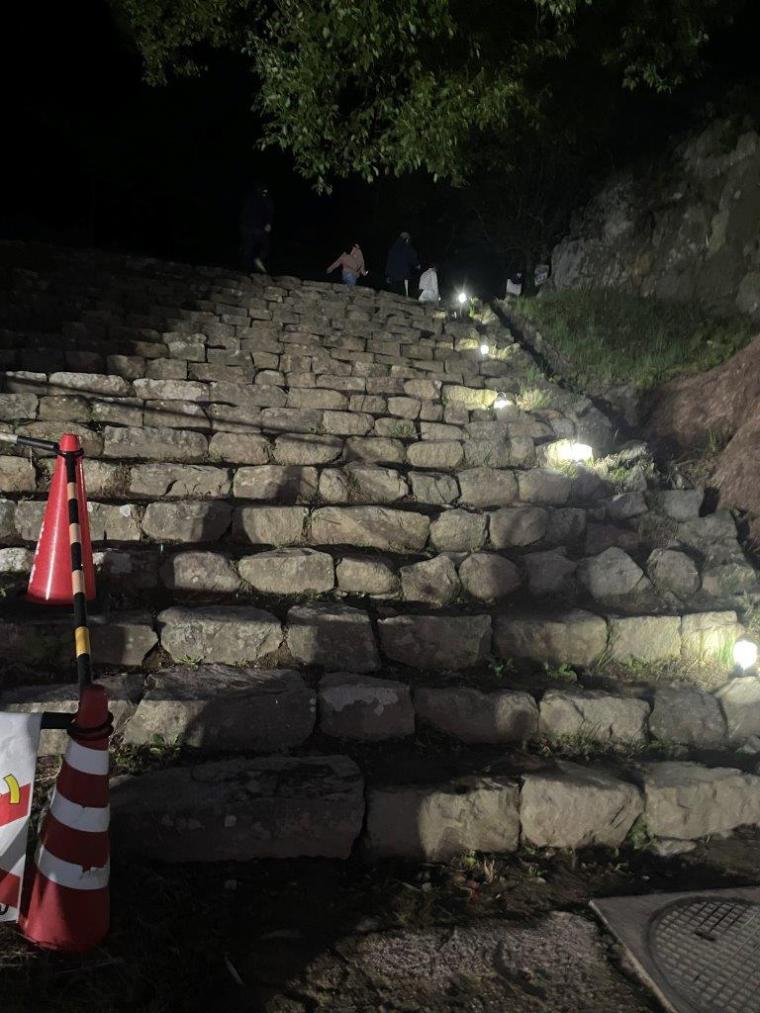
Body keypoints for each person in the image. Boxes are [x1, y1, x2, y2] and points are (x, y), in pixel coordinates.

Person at [240, 183, 274, 273]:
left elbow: (244, 212)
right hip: (257, 227)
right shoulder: (264, 198)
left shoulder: (249, 198)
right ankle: (257, 260)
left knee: (248, 248)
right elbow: (270, 211)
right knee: (265, 246)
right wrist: (268, 223)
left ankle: (247, 269)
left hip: (248, 227)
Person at [385, 231, 420, 296]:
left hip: (392, 277)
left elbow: (389, 262)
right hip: (403, 277)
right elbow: (412, 256)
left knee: (393, 295)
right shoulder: (407, 247)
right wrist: (417, 264)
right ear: (407, 239)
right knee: (403, 296)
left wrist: (388, 275)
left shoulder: (393, 247)